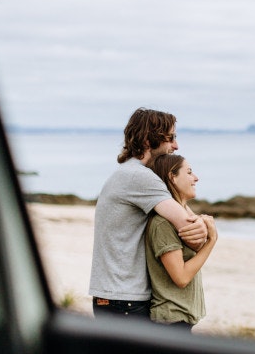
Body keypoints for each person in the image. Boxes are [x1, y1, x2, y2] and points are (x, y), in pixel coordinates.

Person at [88, 107, 209, 319]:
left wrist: (200, 222)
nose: (176, 146)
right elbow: (189, 228)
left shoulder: (128, 173)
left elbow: (179, 209)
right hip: (125, 299)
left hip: (114, 296)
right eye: (170, 138)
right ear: (147, 140)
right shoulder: (140, 177)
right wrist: (206, 228)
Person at [145, 154, 218, 331]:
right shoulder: (163, 223)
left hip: (180, 319)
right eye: (189, 172)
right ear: (172, 176)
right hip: (171, 319)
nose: (196, 178)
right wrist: (212, 240)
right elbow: (181, 277)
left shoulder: (184, 218)